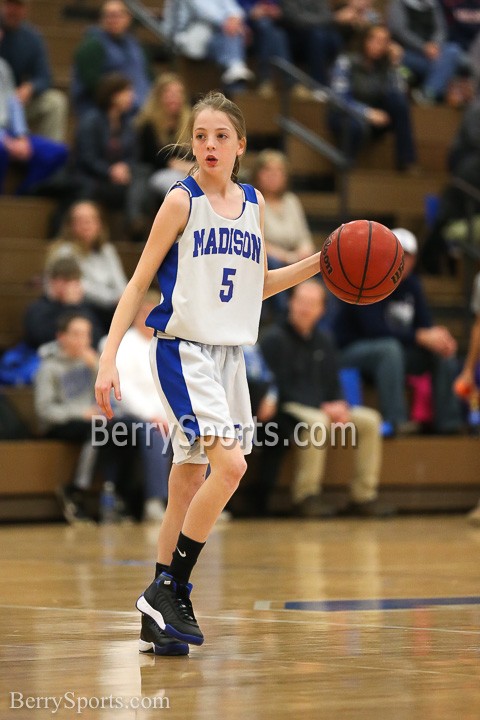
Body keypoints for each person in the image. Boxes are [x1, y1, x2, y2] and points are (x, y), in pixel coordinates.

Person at [95, 91, 323, 656]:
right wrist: (107, 355)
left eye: (221, 136)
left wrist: (321, 263)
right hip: (184, 351)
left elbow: (258, 286)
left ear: (241, 145)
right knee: (231, 467)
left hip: (228, 359)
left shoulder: (253, 203)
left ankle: (158, 616)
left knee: (186, 484)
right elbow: (137, 281)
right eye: (200, 136)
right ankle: (170, 588)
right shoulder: (181, 200)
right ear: (190, 142)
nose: (209, 145)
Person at [259, 280, 390, 518]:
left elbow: (333, 382)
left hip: (322, 407)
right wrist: (324, 407)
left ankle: (363, 496)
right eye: (301, 302)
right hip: (288, 408)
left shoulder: (325, 341)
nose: (305, 309)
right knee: (317, 421)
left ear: (322, 310)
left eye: (311, 304)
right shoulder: (274, 339)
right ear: (290, 303)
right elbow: (278, 388)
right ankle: (306, 496)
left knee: (370, 420)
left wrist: (339, 404)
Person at [333, 227, 463, 435]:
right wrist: (419, 336)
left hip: (395, 353)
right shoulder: (366, 278)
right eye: (397, 255)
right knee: (389, 349)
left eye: (408, 256)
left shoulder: (412, 285)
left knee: (441, 350)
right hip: (350, 351)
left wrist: (438, 337)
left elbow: (425, 325)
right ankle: (397, 421)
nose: (403, 261)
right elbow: (374, 329)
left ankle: (449, 423)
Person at [34, 312, 137, 524]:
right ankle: (75, 491)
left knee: (129, 428)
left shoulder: (90, 362)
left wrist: (96, 367)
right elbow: (44, 410)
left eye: (86, 335)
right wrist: (80, 413)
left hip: (92, 420)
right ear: (61, 337)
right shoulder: (49, 367)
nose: (83, 340)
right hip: (60, 422)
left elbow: (109, 396)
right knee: (100, 430)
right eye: (76, 334)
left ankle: (119, 493)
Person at [114, 291, 173, 523]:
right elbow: (123, 390)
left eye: (153, 312)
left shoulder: (166, 343)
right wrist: (151, 415)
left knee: (199, 433)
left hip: (167, 414)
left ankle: (200, 502)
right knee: (154, 434)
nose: (148, 317)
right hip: (131, 415)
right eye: (143, 312)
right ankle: (155, 501)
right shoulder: (126, 343)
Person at [328, 23, 418, 171]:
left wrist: (396, 65)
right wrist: (367, 113)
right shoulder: (346, 61)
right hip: (346, 115)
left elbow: (400, 94)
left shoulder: (386, 65)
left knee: (398, 101)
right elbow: (338, 100)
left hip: (376, 117)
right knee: (353, 126)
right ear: (365, 40)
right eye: (375, 40)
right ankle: (346, 172)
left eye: (384, 42)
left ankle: (406, 161)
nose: (379, 46)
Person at [70, 73, 140, 229]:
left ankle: (135, 222)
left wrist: (125, 167)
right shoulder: (91, 121)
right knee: (88, 189)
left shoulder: (127, 124)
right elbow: (86, 158)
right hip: (90, 176)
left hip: (115, 180)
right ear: (114, 95)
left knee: (142, 177)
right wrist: (110, 171)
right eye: (127, 92)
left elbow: (133, 155)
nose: (132, 96)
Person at [47, 200, 127, 333]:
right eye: (81, 220)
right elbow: (81, 286)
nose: (86, 225)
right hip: (80, 309)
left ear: (99, 224)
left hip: (112, 309)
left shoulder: (107, 250)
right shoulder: (65, 252)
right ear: (70, 225)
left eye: (91, 219)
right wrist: (113, 299)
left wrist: (123, 298)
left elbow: (120, 282)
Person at [0, 0, 68, 141]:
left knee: (55, 102)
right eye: (10, 4)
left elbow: (45, 76)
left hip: (15, 101)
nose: (13, 10)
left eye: (18, 6)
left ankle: (47, 156)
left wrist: (31, 87)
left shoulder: (32, 37)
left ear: (25, 9)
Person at [71, 0, 151, 116]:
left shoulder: (136, 46)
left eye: (118, 15)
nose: (113, 20)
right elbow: (92, 84)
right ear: (101, 19)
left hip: (142, 106)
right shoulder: (92, 46)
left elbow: (149, 77)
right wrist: (120, 97)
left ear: (128, 18)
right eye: (108, 15)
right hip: (107, 109)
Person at [0, 58, 68, 195]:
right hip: (3, 137)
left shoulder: (3, 66)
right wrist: (3, 139)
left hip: (10, 131)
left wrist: (21, 135)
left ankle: (24, 193)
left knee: (58, 152)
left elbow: (14, 101)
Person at [161, 0, 254, 93]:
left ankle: (235, 69)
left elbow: (234, 9)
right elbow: (204, 12)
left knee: (232, 37)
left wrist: (235, 19)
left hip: (215, 36)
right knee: (231, 37)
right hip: (187, 38)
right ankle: (235, 65)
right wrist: (228, 23)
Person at [134, 73, 193, 216]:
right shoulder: (148, 125)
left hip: (187, 170)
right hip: (155, 174)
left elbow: (193, 153)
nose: (175, 98)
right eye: (170, 93)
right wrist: (179, 165)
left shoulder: (190, 122)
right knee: (179, 186)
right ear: (159, 96)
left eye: (178, 93)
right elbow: (156, 157)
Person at [387, 0, 463, 103]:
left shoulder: (433, 4)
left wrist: (435, 45)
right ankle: (433, 89)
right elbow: (399, 30)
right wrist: (423, 47)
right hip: (408, 52)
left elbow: (441, 29)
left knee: (453, 50)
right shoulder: (399, 3)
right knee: (445, 66)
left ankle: (427, 93)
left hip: (433, 53)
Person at [24, 256, 103, 350]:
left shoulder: (84, 307)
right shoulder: (37, 310)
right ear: (54, 281)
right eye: (67, 281)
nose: (72, 287)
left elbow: (96, 337)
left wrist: (74, 306)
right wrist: (69, 306)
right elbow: (44, 339)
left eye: (76, 282)